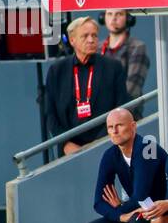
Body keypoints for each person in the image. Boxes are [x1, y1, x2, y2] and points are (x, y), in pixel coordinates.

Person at [45, 16, 130, 156]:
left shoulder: (113, 68)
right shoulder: (57, 71)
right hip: (69, 151)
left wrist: (98, 144)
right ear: (72, 40)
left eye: (94, 35)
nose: (91, 40)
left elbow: (121, 107)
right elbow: (50, 114)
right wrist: (65, 144)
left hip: (106, 146)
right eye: (85, 36)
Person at [99, 9, 150, 99]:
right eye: (109, 14)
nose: (113, 18)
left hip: (126, 110)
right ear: (103, 18)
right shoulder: (97, 47)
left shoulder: (137, 47)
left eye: (119, 14)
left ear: (128, 18)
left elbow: (132, 89)